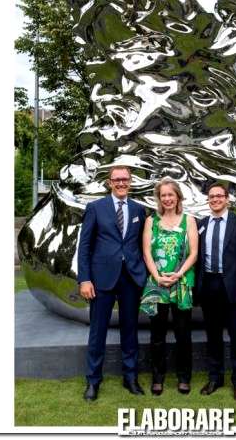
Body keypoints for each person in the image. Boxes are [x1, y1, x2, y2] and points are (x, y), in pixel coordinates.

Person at [77, 165, 147, 401]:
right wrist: (84, 278)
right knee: (98, 332)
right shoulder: (95, 208)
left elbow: (140, 244)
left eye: (124, 179)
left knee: (130, 331)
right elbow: (84, 246)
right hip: (101, 280)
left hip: (130, 278)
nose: (121, 183)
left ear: (130, 181)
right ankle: (93, 381)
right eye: (116, 179)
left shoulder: (139, 209)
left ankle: (130, 378)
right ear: (109, 182)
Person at [195, 183, 236, 401]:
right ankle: (215, 378)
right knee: (213, 335)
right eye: (212, 197)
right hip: (208, 286)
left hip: (234, 287)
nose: (215, 199)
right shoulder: (201, 224)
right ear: (208, 200)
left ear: (227, 199)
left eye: (219, 196)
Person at [139, 177, 198, 396]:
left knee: (183, 334)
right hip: (157, 285)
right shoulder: (151, 221)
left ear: (178, 197)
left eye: (170, 194)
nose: (167, 199)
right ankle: (158, 377)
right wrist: (158, 276)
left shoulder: (189, 221)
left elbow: (194, 253)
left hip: (181, 284)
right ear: (159, 198)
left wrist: (178, 274)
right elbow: (147, 252)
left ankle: (184, 378)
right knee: (157, 335)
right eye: (163, 195)